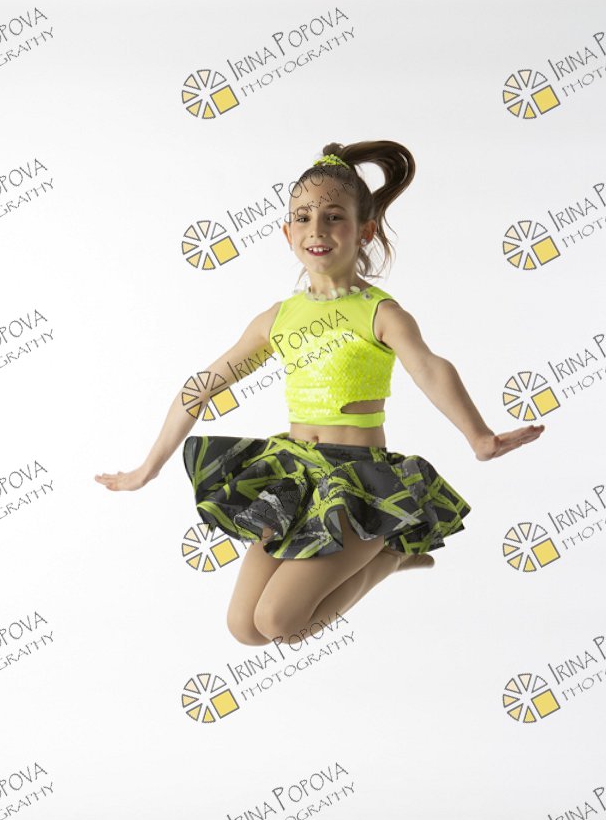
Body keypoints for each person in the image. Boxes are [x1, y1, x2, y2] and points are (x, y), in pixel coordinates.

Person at [95, 140, 544, 647]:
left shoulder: (380, 312)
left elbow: (429, 368)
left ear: (364, 230)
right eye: (303, 218)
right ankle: (383, 559)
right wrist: (147, 468)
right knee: (246, 630)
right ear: (287, 233)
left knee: (280, 622)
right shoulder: (278, 318)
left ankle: (392, 553)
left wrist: (479, 436)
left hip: (357, 484)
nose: (317, 230)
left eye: (334, 217)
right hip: (292, 478)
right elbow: (200, 388)